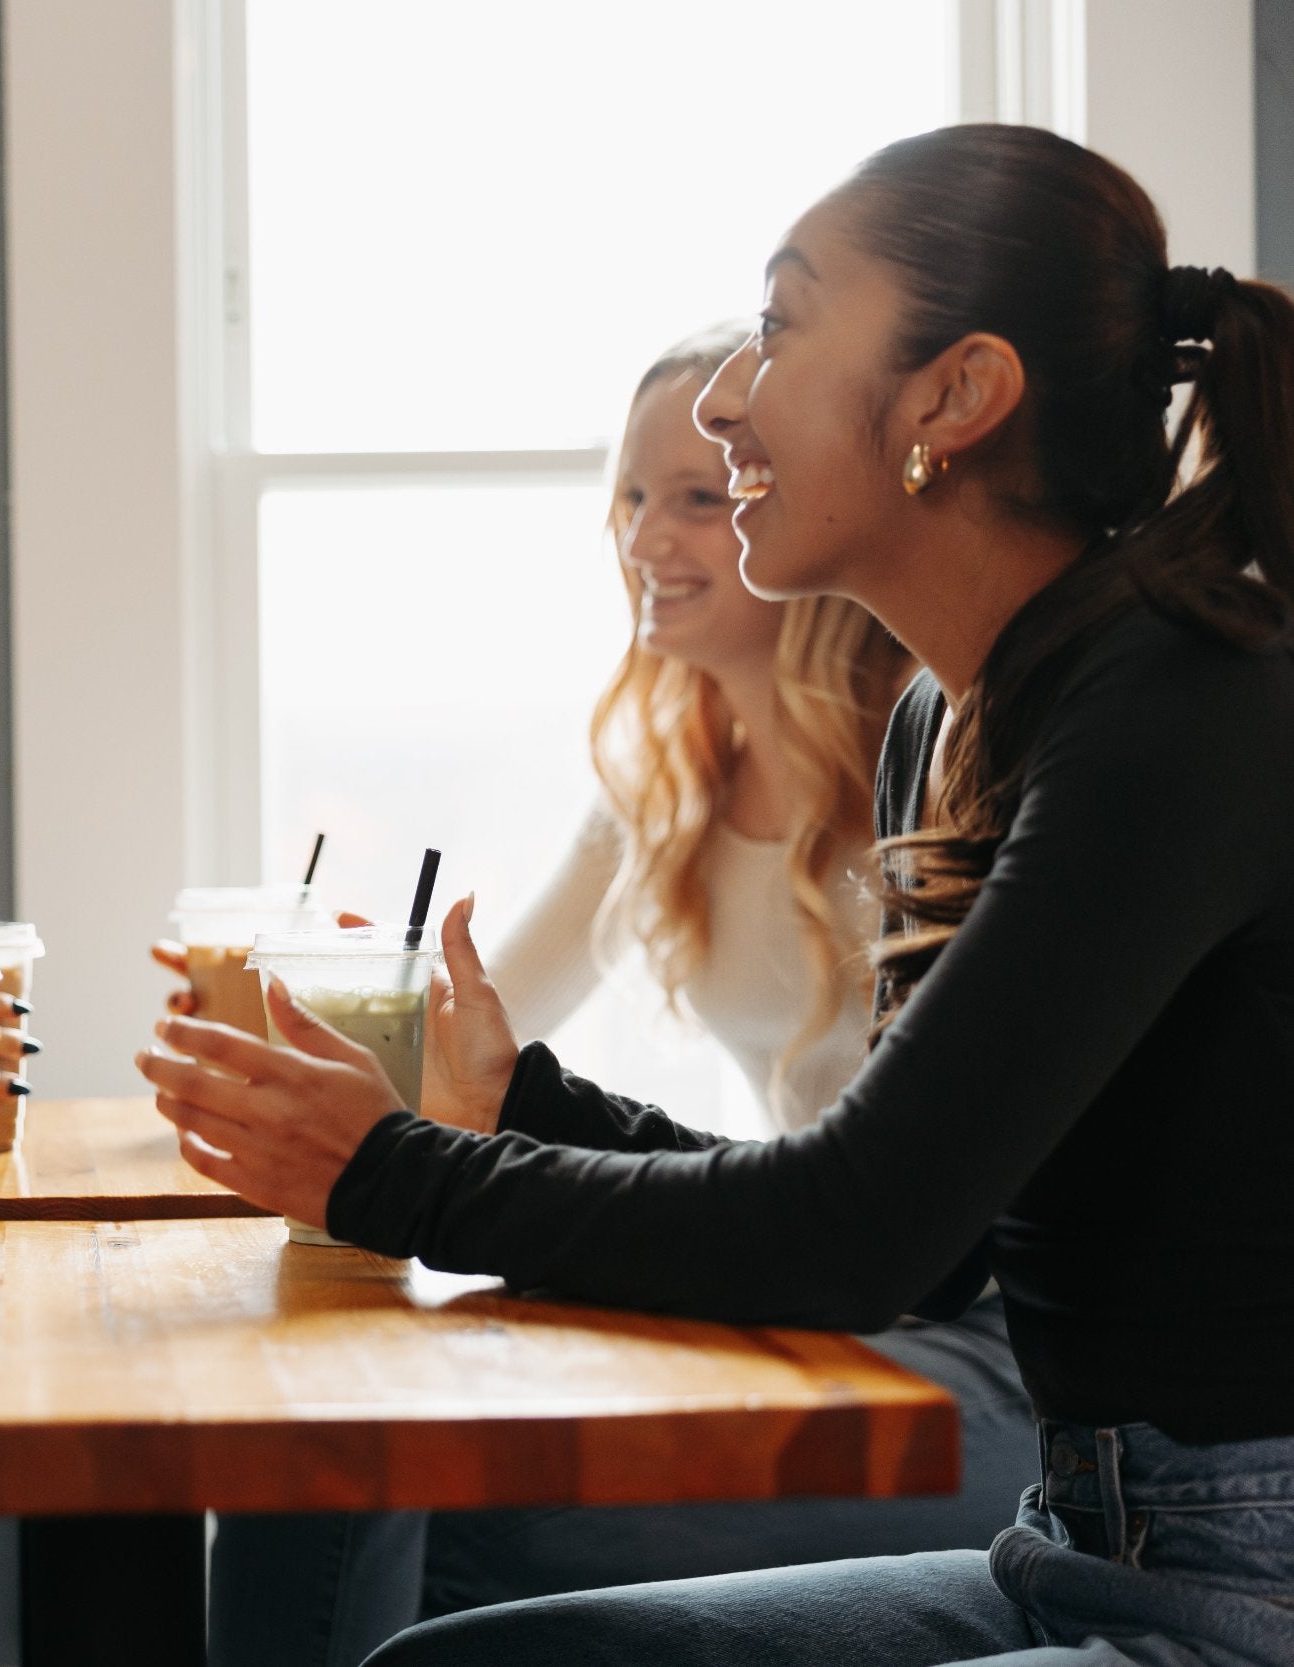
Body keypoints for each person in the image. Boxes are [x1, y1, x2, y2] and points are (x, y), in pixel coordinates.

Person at [142, 122, 1294, 1666]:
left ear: (953, 397)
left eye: (781, 322)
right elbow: (920, 1230)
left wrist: (394, 1171)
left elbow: (855, 1238)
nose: (730, 398)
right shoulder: (947, 721)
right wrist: (514, 1103)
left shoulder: (1184, 702)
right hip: (1078, 1545)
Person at [199, 326, 1033, 1667]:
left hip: (969, 1352)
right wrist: (302, 1015)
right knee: (335, 1446)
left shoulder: (938, 770)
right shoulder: (670, 779)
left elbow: (904, 1224)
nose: (649, 537)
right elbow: (480, 1035)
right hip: (793, 1287)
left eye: (700, 496)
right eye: (632, 499)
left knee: (442, 1514)